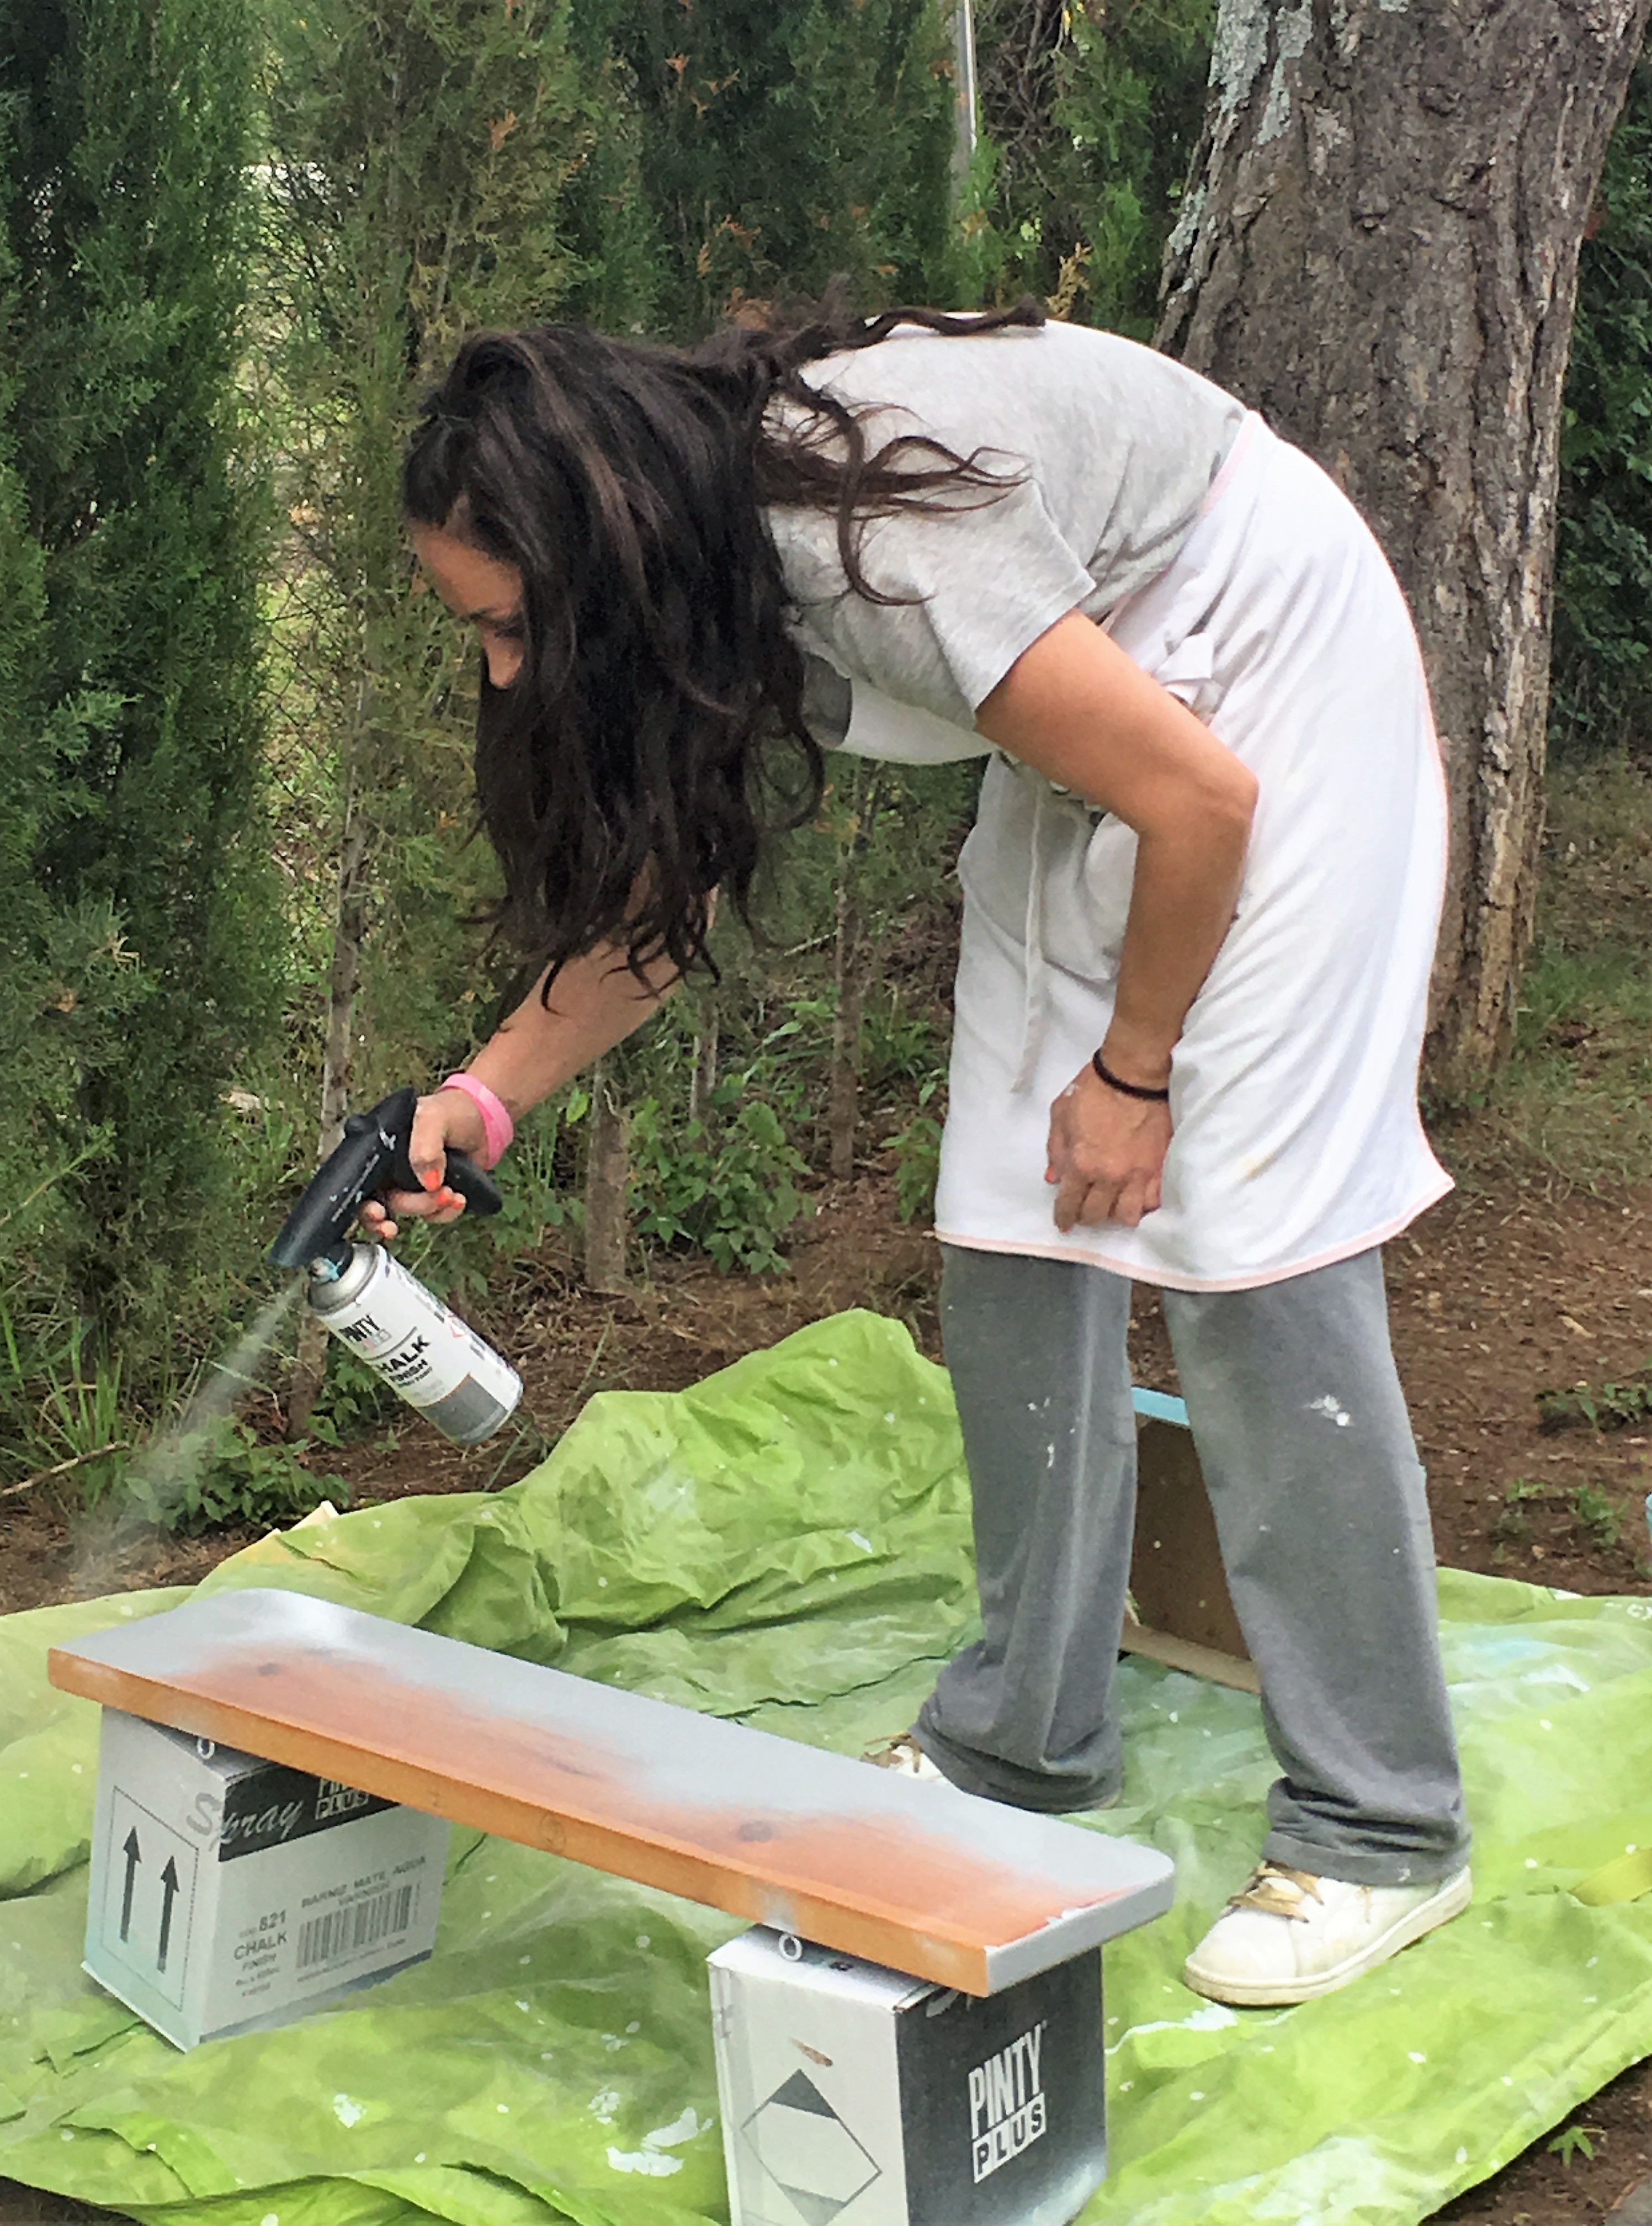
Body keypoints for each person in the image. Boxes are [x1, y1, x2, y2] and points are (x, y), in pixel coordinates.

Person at [370, 297, 1472, 2008]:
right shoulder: (703, 572)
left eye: (512, 625)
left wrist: (1137, 1071)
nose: (505, 671)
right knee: (1009, 1209)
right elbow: (664, 893)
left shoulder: (871, 540)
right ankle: (1023, 1745)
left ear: (601, 549)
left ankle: (1381, 1824)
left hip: (1267, 674)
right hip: (1113, 687)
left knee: (1254, 1237)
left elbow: (1202, 802)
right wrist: (482, 1094)